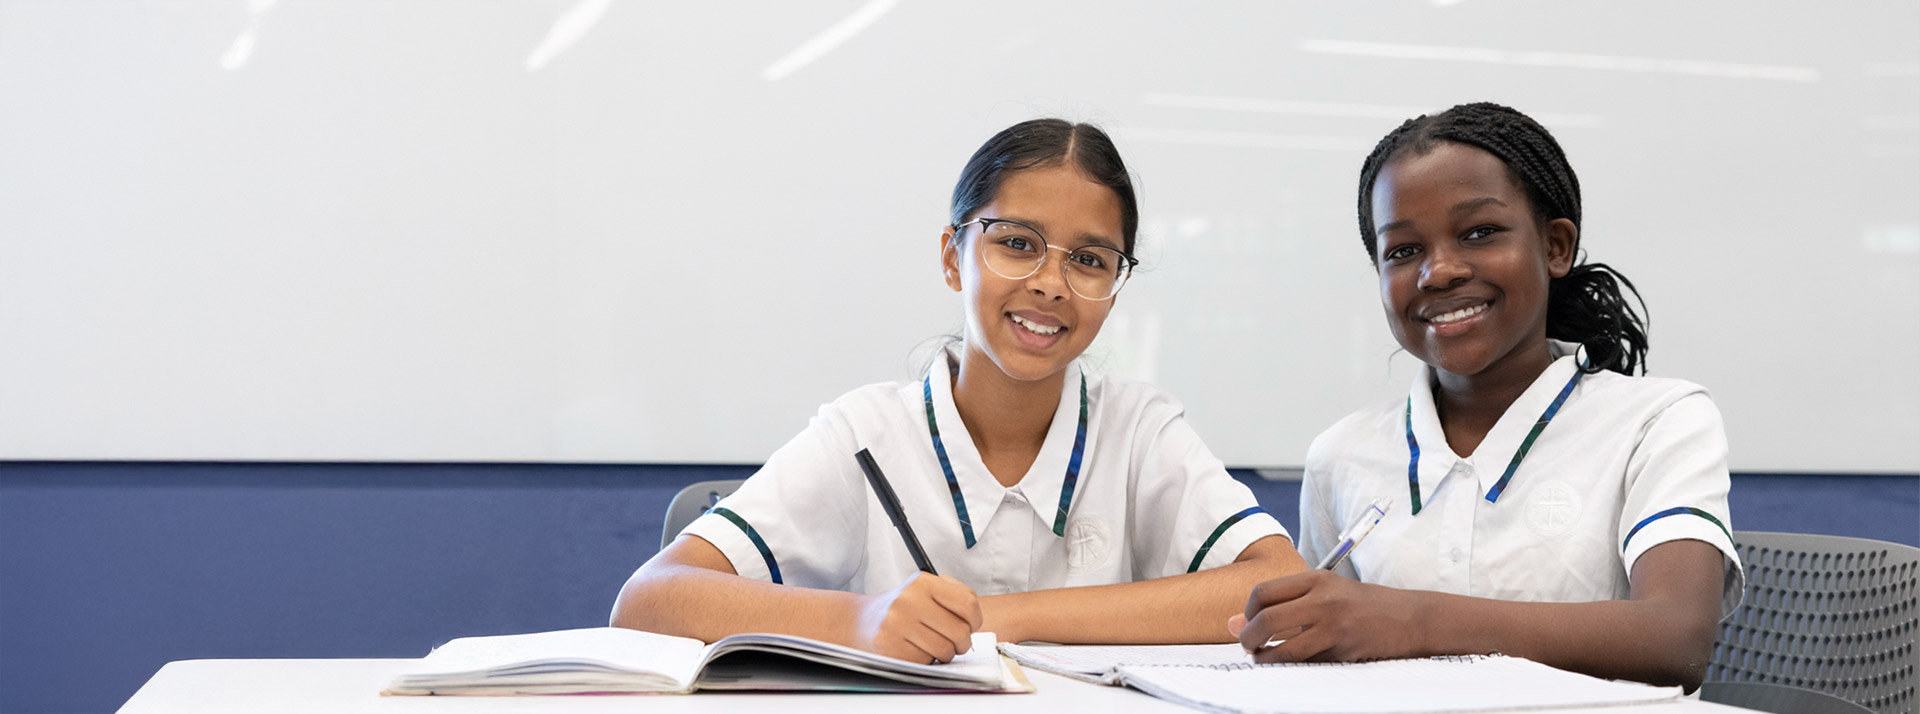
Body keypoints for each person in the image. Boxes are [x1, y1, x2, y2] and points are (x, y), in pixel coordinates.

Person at [614, 118, 1306, 664]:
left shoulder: (1140, 430)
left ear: (1116, 289)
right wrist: (858, 617)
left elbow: (1273, 581)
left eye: (1090, 260)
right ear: (954, 257)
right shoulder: (865, 436)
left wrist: (1004, 618)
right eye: (1016, 243)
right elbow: (650, 598)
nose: (1050, 283)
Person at [1231, 103, 1742, 690]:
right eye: (1402, 251)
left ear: (1555, 247)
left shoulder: (1658, 422)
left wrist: (1414, 620)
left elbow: (1674, 640)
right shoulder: (1341, 454)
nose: (1439, 271)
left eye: (1480, 233)